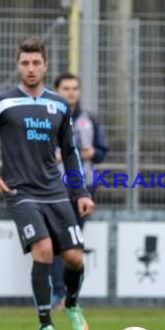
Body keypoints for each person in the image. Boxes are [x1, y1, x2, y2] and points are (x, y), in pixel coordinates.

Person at [0, 37, 94, 330]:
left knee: (75, 258)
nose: (30, 68)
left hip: (55, 191)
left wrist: (81, 193)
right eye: (25, 63)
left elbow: (71, 152)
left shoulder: (59, 104)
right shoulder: (2, 102)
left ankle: (73, 305)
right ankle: (45, 324)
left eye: (36, 62)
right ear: (18, 65)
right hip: (19, 191)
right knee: (44, 250)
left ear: (45, 65)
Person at [50, 72, 108, 308]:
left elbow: (102, 150)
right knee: (57, 241)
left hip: (83, 189)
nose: (71, 92)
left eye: (75, 88)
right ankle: (57, 293)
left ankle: (67, 294)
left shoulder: (88, 119)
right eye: (66, 88)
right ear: (56, 90)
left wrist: (92, 152)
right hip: (55, 188)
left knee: (72, 242)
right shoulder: (48, 116)